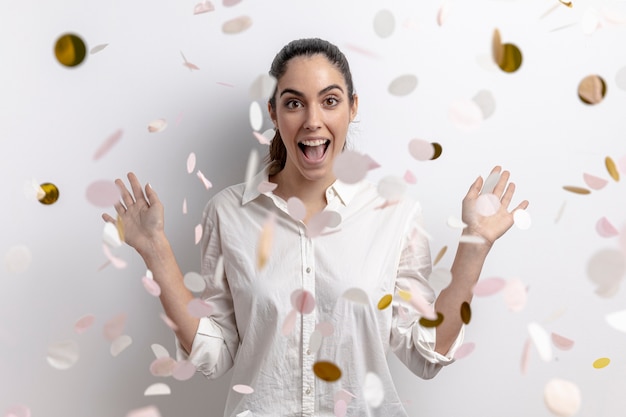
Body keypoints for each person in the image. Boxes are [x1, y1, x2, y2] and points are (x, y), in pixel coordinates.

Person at [103, 38, 529, 417]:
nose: (312, 120)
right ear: (273, 112)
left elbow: (426, 353)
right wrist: (156, 251)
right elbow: (212, 355)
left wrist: (475, 245)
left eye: (329, 101)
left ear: (352, 107)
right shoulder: (227, 212)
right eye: (293, 103)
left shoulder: (394, 213)